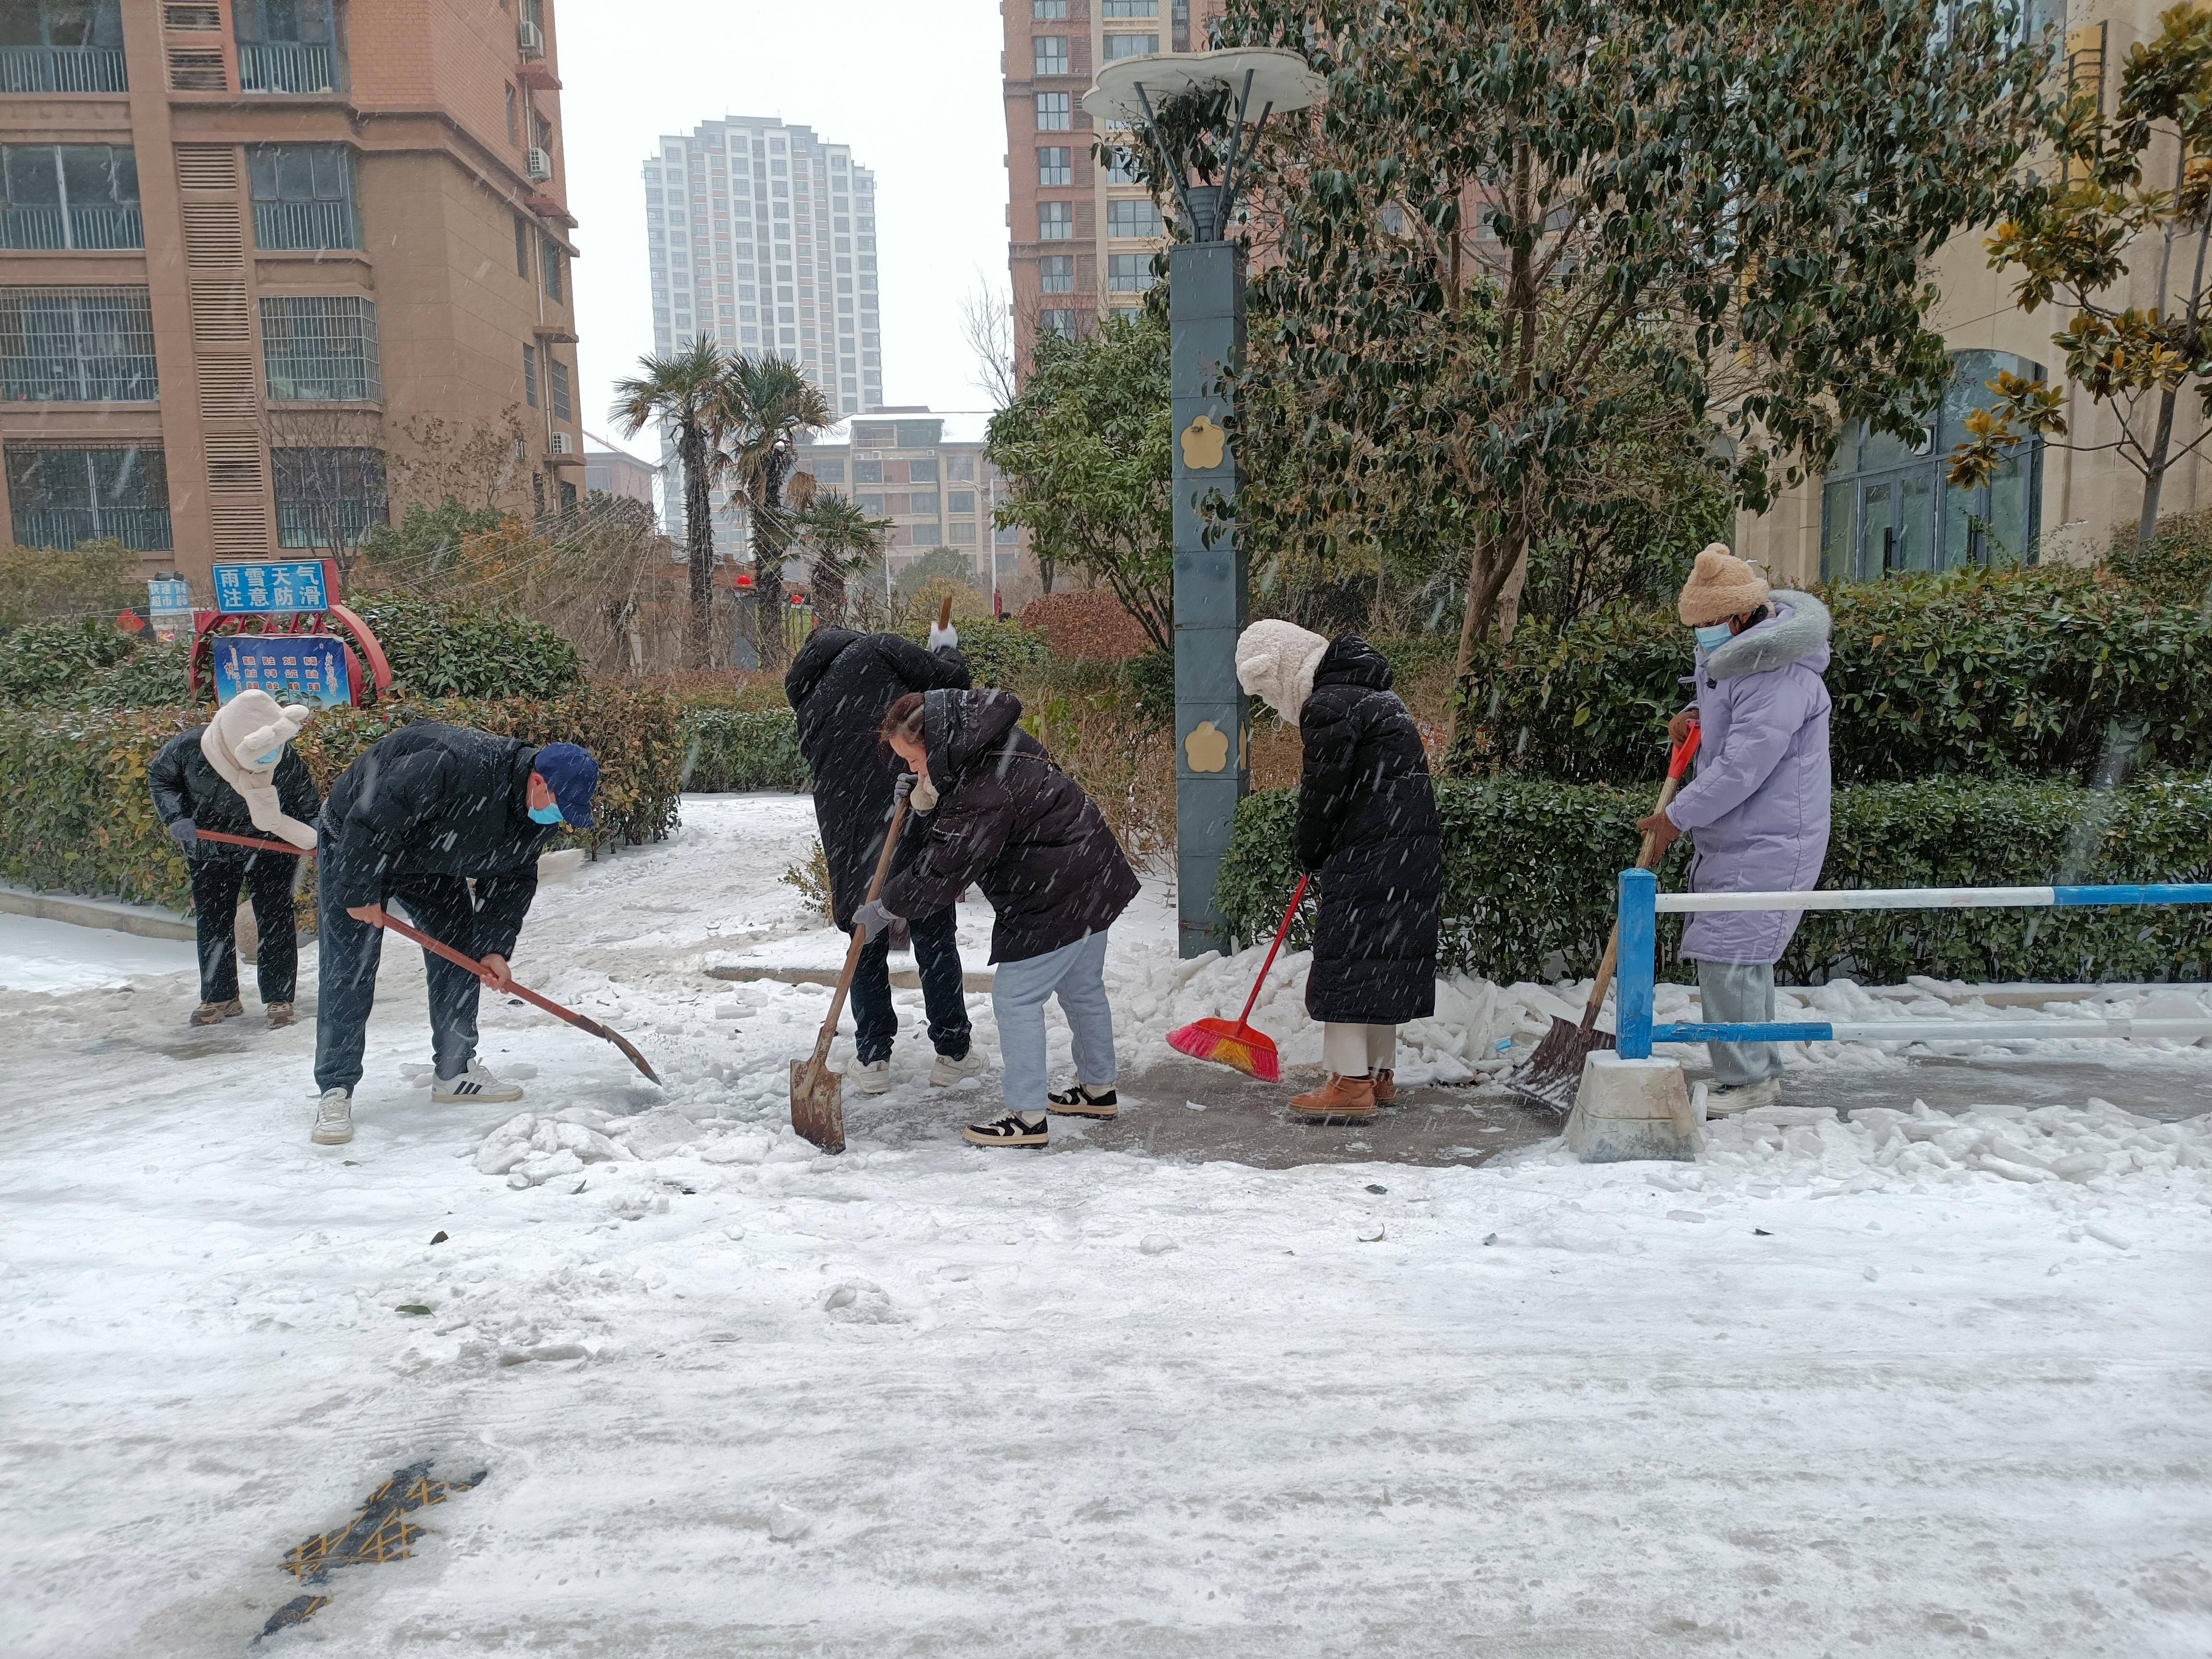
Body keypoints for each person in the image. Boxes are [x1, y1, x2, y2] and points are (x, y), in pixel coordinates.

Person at [858, 687, 1141, 1148]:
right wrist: (929, 794)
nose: (911, 769)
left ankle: (1027, 1118)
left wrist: (888, 906)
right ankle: (1097, 1089)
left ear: (937, 743)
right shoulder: (989, 740)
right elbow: (976, 807)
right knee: (1082, 989)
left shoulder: (982, 788)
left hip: (1053, 895)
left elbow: (947, 863)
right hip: (1092, 877)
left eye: (913, 760)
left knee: (1015, 1000)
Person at [309, 723, 599, 1146]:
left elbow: (514, 877)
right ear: (538, 781)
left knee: (459, 953)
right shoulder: (451, 766)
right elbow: (372, 819)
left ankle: (455, 1071)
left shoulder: (536, 816)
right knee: (349, 967)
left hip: (430, 857)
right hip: (357, 841)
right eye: (559, 805)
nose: (559, 819)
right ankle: (336, 1088)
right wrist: (358, 888)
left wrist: (495, 949)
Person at [1636, 544, 1833, 1113]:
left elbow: (1744, 765)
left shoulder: (1776, 673)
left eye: (1710, 625)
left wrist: (1676, 817)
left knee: (1731, 956)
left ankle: (1748, 1082)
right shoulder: (1740, 656)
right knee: (1738, 959)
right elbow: (1734, 717)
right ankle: (1754, 1073)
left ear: (1743, 615)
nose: (1702, 636)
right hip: (1743, 834)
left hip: (1770, 835)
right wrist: (1697, 715)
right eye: (1696, 627)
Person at [1236, 622, 1443, 1120]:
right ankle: (1377, 1074)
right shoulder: (1378, 697)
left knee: (1347, 962)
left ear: (1281, 669)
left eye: (1267, 693)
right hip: (1406, 851)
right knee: (1380, 961)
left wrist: (1309, 848)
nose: (1274, 705)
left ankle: (1350, 1084)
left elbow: (1322, 793)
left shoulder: (1330, 705)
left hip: (1369, 851)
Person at [784, 617, 983, 1094]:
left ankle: (873, 1058)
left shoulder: (808, 698)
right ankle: (953, 1052)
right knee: (932, 929)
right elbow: (952, 687)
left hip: (848, 835)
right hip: (908, 811)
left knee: (865, 934)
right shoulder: (879, 650)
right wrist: (945, 650)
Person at [147, 690, 320, 1028]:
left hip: (270, 843)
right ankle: (220, 996)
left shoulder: (279, 750)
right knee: (214, 918)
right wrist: (176, 816)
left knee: (275, 917)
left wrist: (316, 830)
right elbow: (161, 777)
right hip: (211, 844)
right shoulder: (191, 747)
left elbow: (305, 798)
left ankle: (279, 997)